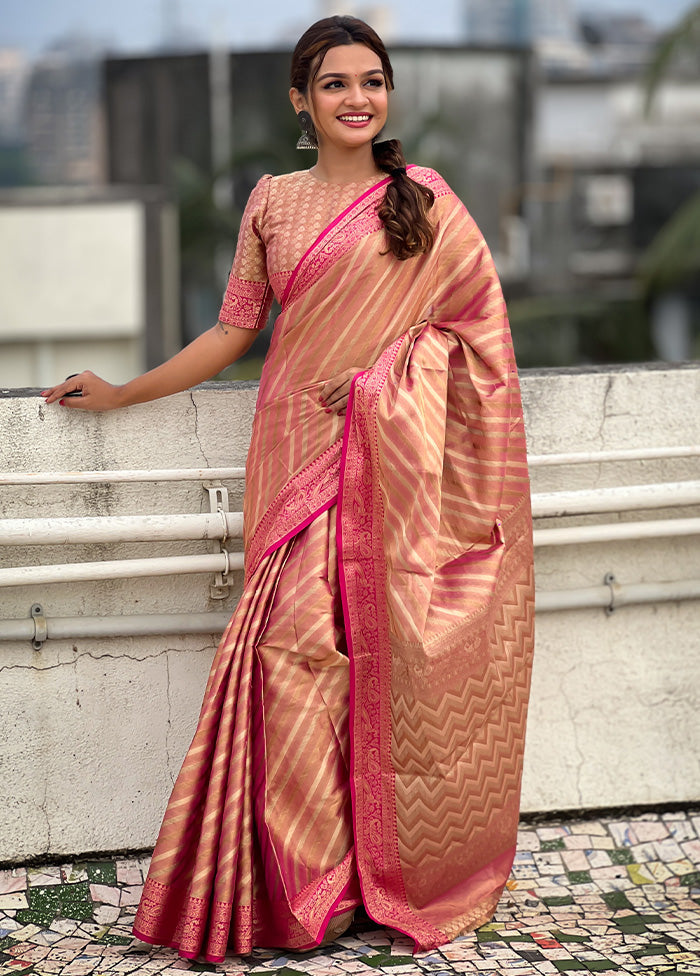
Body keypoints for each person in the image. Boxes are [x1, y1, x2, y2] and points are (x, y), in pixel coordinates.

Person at [42, 16, 535, 962]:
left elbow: (482, 340)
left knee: (378, 664)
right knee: (295, 659)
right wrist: (122, 392)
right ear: (302, 101)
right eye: (338, 83)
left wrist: (388, 385)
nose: (359, 98)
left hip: (394, 465)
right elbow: (233, 333)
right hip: (292, 456)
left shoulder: (425, 201)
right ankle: (309, 886)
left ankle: (373, 875)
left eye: (374, 81)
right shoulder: (272, 201)